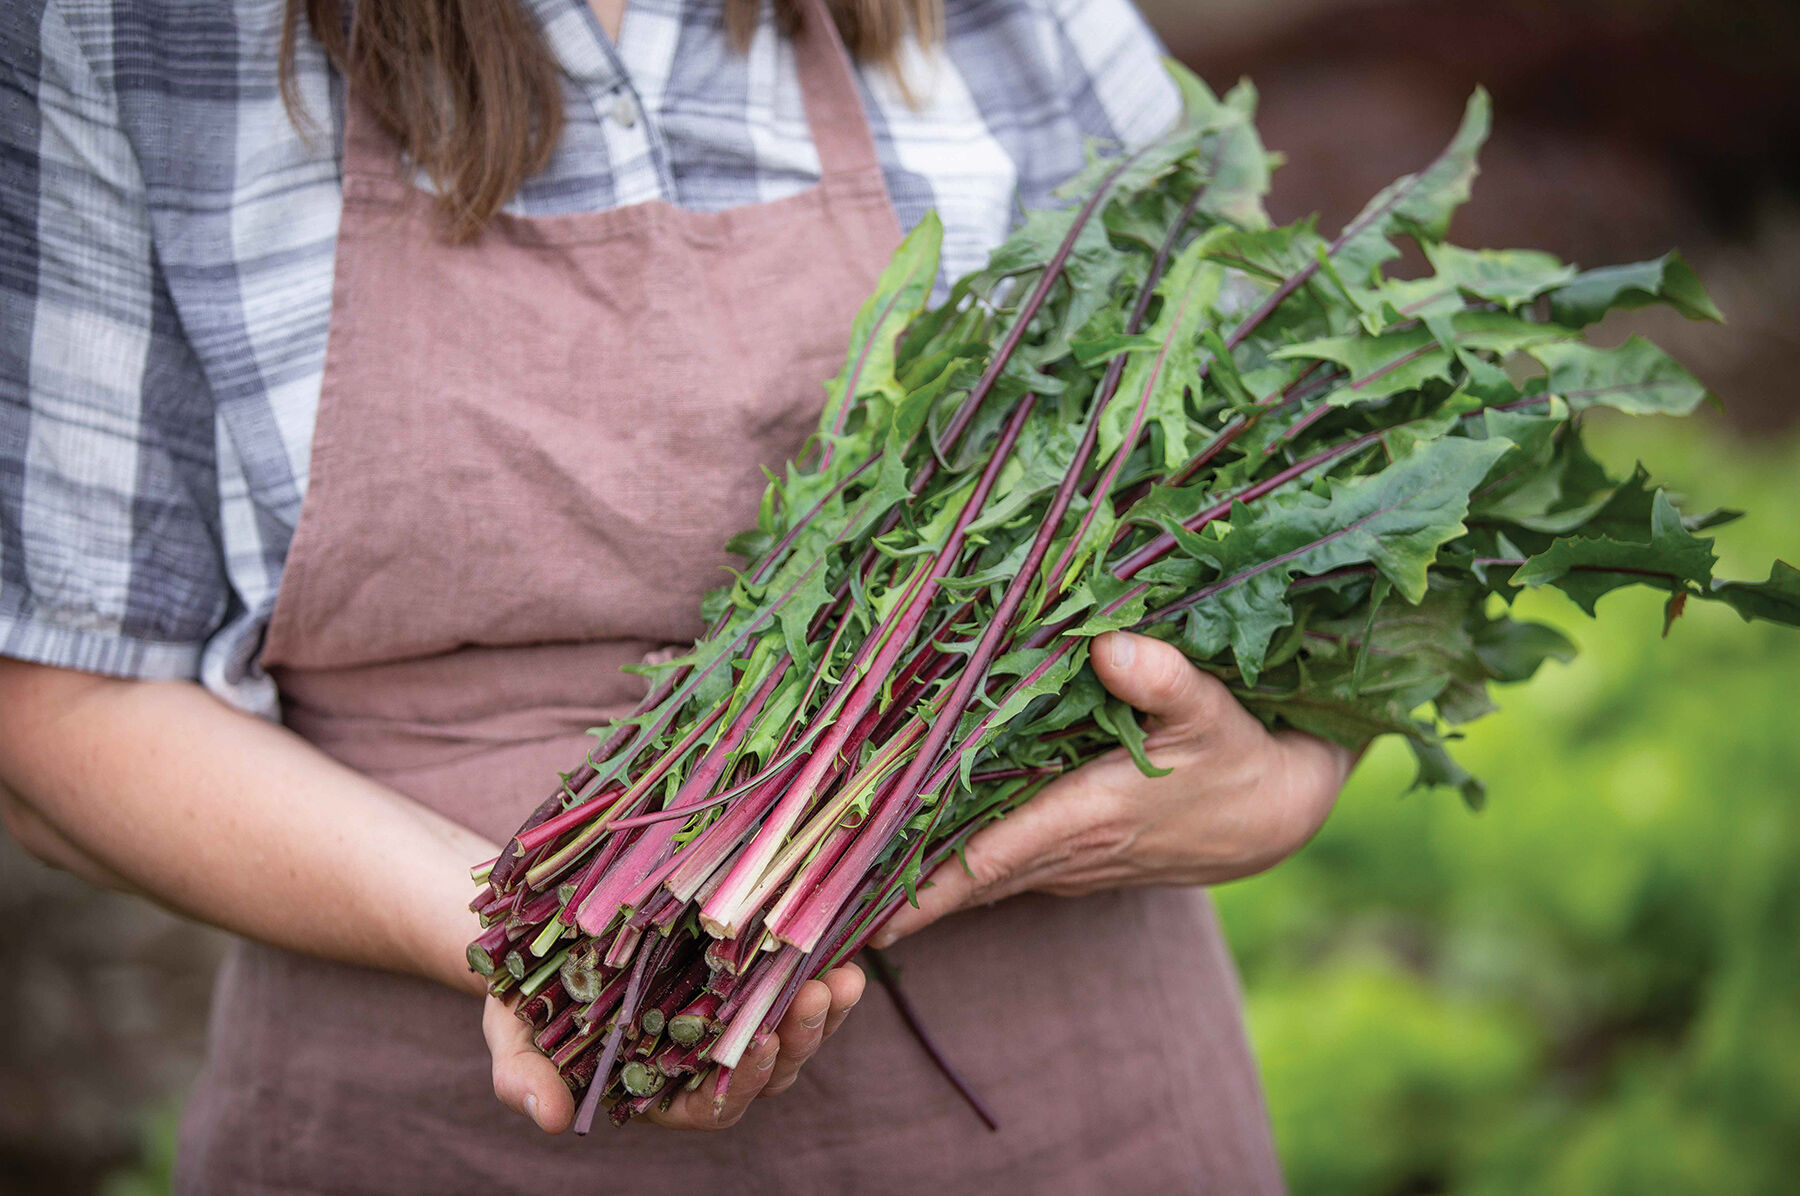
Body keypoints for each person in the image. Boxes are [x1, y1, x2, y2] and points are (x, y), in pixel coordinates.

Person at [0, 0, 1350, 1190]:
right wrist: (512, 935)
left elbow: (1299, 475)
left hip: (1081, 1116)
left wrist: (1286, 783)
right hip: (413, 1131)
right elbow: (56, 699)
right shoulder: (127, 32)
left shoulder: (1019, 17)